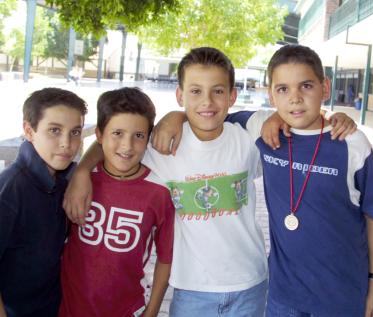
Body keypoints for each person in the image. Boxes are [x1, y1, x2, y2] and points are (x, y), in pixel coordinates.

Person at [64, 47, 270, 317]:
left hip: (250, 283)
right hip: (191, 289)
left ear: (232, 96)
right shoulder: (161, 146)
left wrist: (336, 122)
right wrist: (81, 171)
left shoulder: (247, 139)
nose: (206, 101)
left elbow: (289, 121)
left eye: (217, 91)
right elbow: (113, 142)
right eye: (195, 91)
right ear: (180, 96)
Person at [224, 45, 373, 316]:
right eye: (283, 89)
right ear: (271, 95)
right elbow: (209, 117)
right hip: (283, 297)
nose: (295, 99)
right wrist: (173, 117)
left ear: (325, 87)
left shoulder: (351, 143)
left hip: (341, 296)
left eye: (306, 86)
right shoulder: (262, 128)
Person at [59, 87, 174, 317]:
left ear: (148, 138)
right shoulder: (81, 183)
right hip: (69, 308)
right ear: (100, 135)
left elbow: (165, 258)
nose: (127, 146)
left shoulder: (159, 193)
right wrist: (81, 172)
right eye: (117, 133)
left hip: (125, 309)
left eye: (138, 136)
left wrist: (152, 310)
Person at [0, 88, 87, 317]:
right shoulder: (10, 190)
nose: (66, 143)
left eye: (75, 132)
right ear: (29, 131)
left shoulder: (66, 179)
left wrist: (82, 172)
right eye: (54, 130)